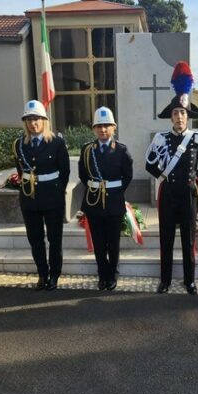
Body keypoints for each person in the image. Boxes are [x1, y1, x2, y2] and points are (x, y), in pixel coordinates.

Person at [145, 62, 198, 295]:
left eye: (183, 113)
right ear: (171, 117)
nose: (179, 117)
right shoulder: (160, 139)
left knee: (187, 239)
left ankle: (189, 280)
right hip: (168, 195)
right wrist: (163, 176)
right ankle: (164, 280)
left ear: (188, 116)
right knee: (166, 239)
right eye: (175, 113)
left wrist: (195, 179)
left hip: (188, 195)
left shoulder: (197, 139)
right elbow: (149, 164)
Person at [13, 100, 70, 291]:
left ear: (44, 121)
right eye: (29, 119)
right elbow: (21, 172)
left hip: (52, 196)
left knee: (55, 239)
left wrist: (56, 191)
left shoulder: (57, 142)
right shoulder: (19, 144)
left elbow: (65, 171)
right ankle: (42, 273)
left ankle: (54, 275)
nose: (33, 123)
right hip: (29, 199)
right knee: (35, 239)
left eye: (37, 118)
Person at [78, 106, 133, 291]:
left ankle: (113, 273)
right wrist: (97, 190)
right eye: (99, 126)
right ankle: (102, 274)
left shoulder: (122, 150)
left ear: (113, 128)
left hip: (114, 203)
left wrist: (114, 191)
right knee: (99, 242)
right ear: (94, 129)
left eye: (107, 126)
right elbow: (83, 175)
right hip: (94, 203)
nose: (103, 130)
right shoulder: (87, 150)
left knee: (113, 242)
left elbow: (127, 176)